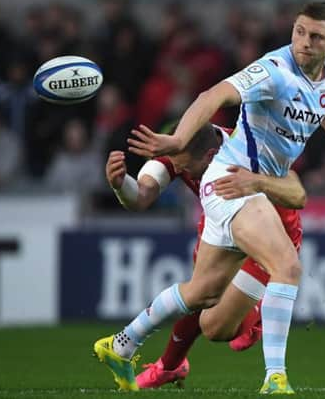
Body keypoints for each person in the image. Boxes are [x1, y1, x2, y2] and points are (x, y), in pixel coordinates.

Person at [94, 1, 325, 394]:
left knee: (203, 295)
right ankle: (275, 378)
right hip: (234, 181)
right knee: (288, 267)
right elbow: (212, 94)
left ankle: (121, 343)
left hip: (248, 189)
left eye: (315, 36)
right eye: (299, 31)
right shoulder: (273, 70)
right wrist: (178, 140)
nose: (303, 42)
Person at [104, 122, 305, 389]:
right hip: (221, 217)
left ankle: (258, 323)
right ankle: (162, 362)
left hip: (272, 234)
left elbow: (297, 193)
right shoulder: (181, 149)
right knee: (200, 296)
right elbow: (141, 196)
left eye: (185, 167)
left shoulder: (250, 147)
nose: (181, 171)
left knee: (215, 327)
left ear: (211, 156)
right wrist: (120, 185)